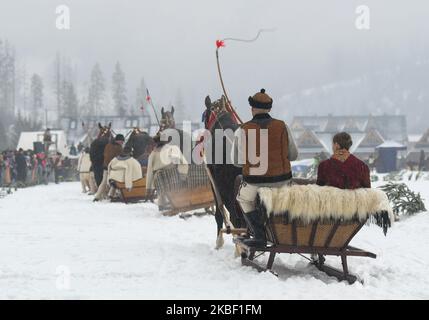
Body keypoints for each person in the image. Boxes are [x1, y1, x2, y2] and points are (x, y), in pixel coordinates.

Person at [233, 89, 298, 247]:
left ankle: (260, 235)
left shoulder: (242, 129)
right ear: (269, 109)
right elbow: (294, 155)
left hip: (254, 183)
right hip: (282, 182)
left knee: (243, 199)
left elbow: (237, 161)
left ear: (252, 109)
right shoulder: (283, 126)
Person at [146, 132, 189, 208]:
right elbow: (183, 162)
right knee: (175, 188)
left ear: (156, 142)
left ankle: (162, 204)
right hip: (172, 175)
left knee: (162, 191)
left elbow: (149, 172)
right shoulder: (173, 148)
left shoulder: (152, 154)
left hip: (159, 177)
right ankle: (175, 202)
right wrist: (183, 175)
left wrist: (148, 188)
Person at [93, 134, 125, 201]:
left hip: (106, 167)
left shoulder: (108, 145)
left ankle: (97, 196)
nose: (122, 143)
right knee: (117, 181)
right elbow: (121, 158)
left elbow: (105, 156)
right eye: (122, 141)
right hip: (114, 168)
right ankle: (114, 195)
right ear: (118, 140)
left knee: (104, 182)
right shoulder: (119, 148)